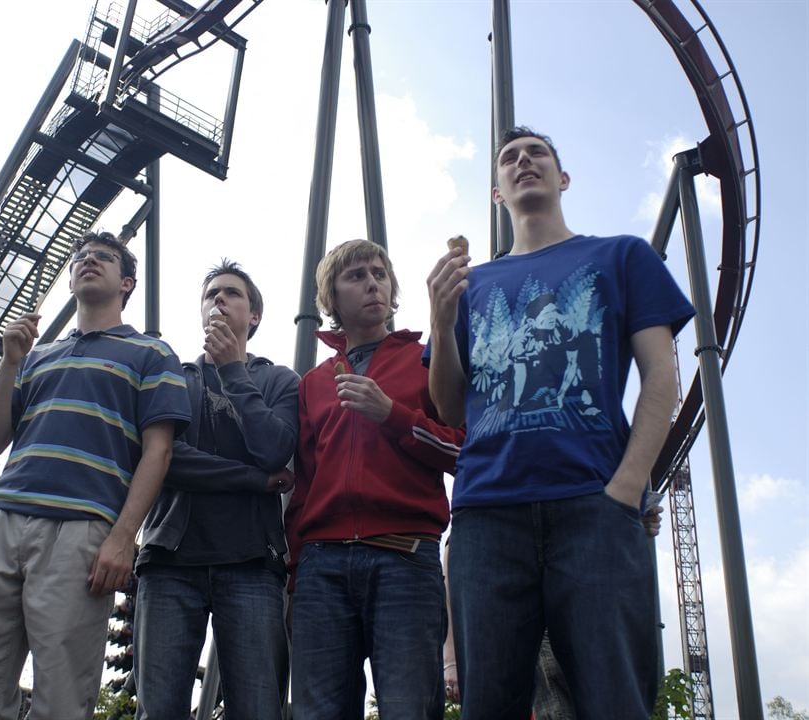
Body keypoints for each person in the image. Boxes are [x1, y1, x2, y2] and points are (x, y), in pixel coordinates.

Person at [426, 127, 695, 719]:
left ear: (562, 177)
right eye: (509, 159)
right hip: (487, 513)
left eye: (537, 154)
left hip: (593, 506)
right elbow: (449, 408)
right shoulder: (472, 286)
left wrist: (627, 487)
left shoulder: (622, 256)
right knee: (489, 705)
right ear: (497, 191)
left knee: (614, 699)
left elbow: (660, 376)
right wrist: (442, 322)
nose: (523, 162)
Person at [0, 230, 190, 720]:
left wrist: (123, 537)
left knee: (63, 695)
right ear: (70, 278)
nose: (89, 261)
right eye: (81, 258)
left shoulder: (152, 355)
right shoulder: (37, 356)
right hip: (1, 519)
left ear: (127, 281)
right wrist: (9, 362)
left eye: (104, 258)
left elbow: (159, 453)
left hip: (83, 529)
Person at [284, 239, 466, 720]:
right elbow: (303, 486)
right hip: (321, 568)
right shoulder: (313, 384)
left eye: (379, 273)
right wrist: (295, 573)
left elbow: (463, 449)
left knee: (409, 709)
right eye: (356, 276)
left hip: (405, 556)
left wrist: (391, 415)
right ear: (332, 299)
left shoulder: (428, 359)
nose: (372, 283)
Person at [134, 260, 297, 719]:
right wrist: (253, 480)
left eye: (231, 294)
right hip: (169, 562)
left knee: (258, 709)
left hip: (252, 565)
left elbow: (273, 450)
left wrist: (234, 373)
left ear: (254, 316)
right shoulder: (173, 377)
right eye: (211, 295)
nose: (219, 300)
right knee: (158, 711)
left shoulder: (279, 380)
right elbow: (167, 462)